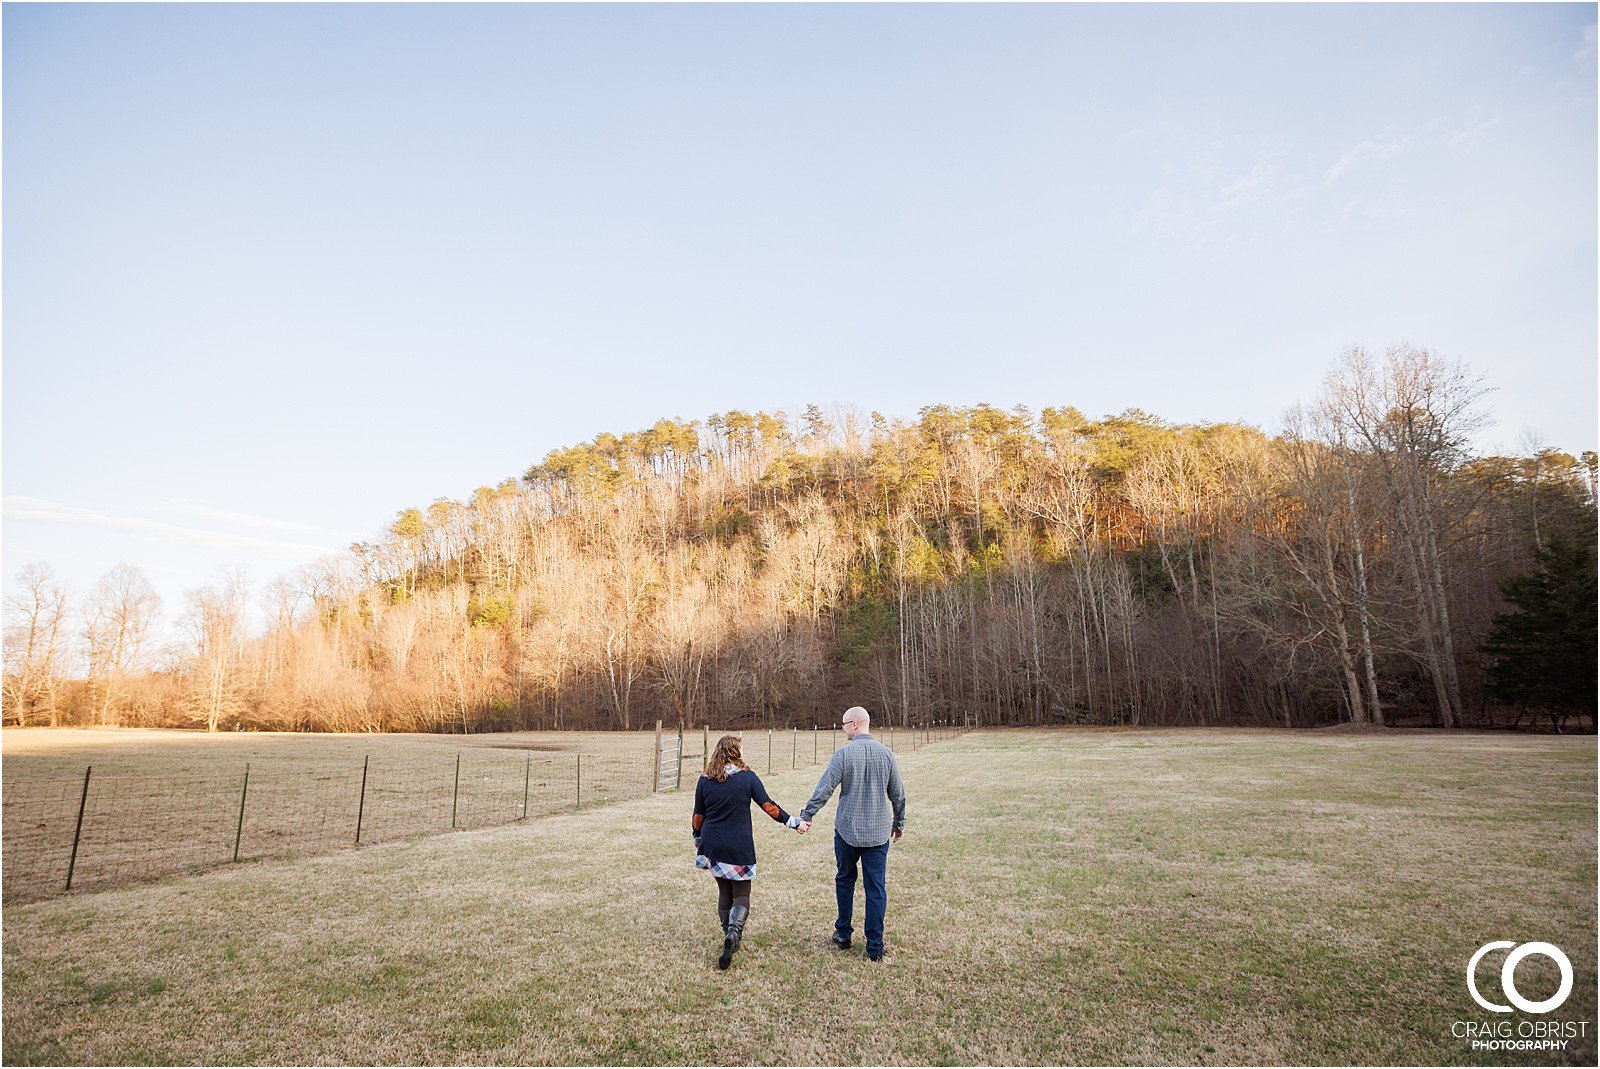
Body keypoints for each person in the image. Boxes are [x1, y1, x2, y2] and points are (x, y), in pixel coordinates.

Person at [798, 706, 905, 961]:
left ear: (855, 725)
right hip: (878, 832)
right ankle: (875, 947)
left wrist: (807, 814)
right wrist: (899, 822)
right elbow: (898, 794)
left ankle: (844, 932)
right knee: (876, 887)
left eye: (844, 724)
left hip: (847, 830)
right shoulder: (887, 754)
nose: (842, 728)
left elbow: (824, 788)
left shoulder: (843, 754)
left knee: (845, 879)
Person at [692, 733, 806, 970]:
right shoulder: (748, 778)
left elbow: (698, 815)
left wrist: (697, 837)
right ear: (736, 752)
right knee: (742, 893)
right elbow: (769, 807)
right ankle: (733, 934)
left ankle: (728, 934)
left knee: (724, 889)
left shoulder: (705, 779)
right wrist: (794, 822)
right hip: (739, 845)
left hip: (712, 843)